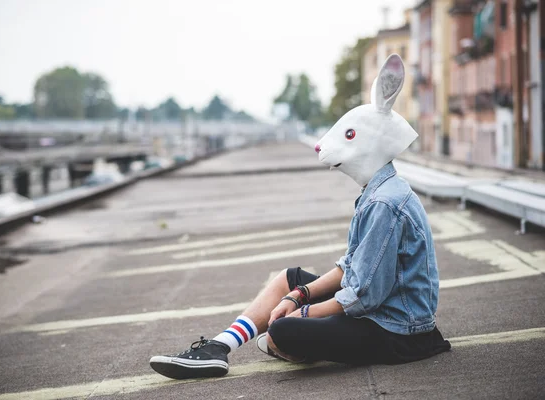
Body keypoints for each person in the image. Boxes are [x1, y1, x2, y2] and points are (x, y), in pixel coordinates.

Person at [149, 54, 451, 380]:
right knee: (287, 279)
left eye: (349, 136)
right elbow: (351, 266)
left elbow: (362, 295)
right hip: (379, 311)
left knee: (283, 330)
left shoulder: (384, 204)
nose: (323, 147)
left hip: (396, 330)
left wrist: (303, 312)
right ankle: (219, 348)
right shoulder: (377, 193)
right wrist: (298, 294)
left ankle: (290, 342)